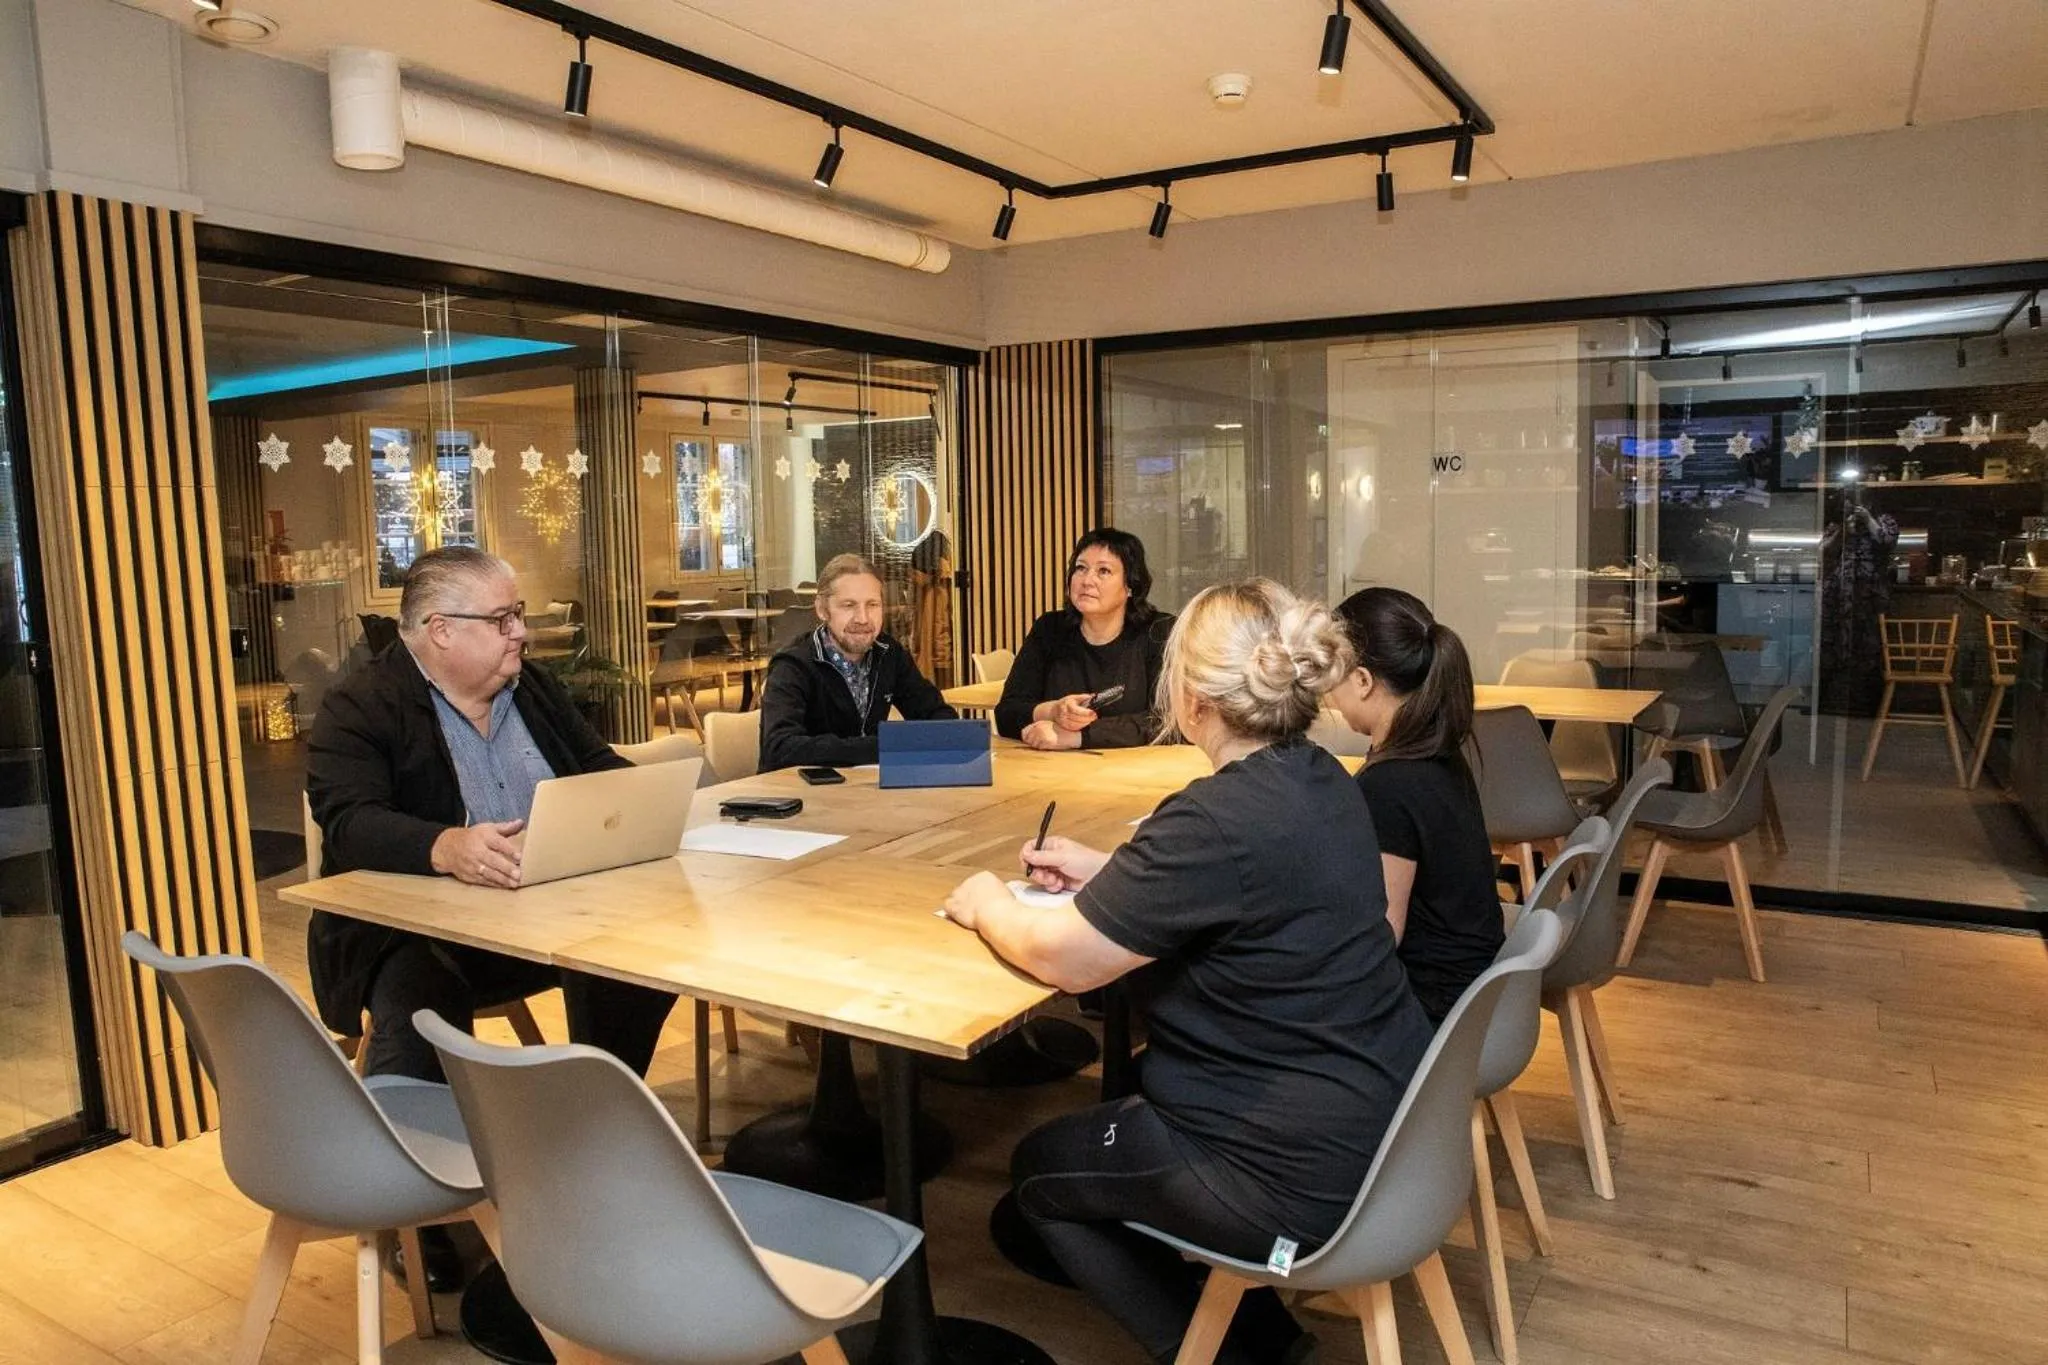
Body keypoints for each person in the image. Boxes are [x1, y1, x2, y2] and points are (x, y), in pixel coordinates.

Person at [942, 580, 1431, 1365]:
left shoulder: (1213, 816)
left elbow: (1066, 961)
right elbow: (1247, 890)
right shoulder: (1323, 781)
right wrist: (1114, 872)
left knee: (1039, 1173)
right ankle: (1267, 1336)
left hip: (1282, 1179)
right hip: (1386, 1136)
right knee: (1112, 1129)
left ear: (1195, 697)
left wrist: (989, 901)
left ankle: (1237, 1352)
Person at [305, 547, 678, 1084]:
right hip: (418, 932)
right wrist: (448, 847)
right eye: (503, 619)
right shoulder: (361, 705)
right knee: (418, 997)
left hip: (553, 910)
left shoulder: (534, 687)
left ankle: (597, 1107)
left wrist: (640, 799)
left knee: (640, 952)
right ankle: (415, 1150)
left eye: (518, 614)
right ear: (441, 631)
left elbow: (597, 765)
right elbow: (350, 822)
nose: (521, 633)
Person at [1328, 587, 1501, 1025]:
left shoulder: (1390, 784)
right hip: (1470, 992)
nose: (1328, 694)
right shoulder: (1436, 751)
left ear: (1363, 681)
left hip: (1429, 1011)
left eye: (1334, 675)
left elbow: (1381, 934)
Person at [758, 552, 956, 770]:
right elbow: (780, 749)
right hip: (802, 796)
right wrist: (883, 747)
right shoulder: (793, 666)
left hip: (867, 792)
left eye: (872, 605)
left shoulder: (889, 654)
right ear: (823, 610)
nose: (862, 618)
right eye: (848, 605)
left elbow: (937, 715)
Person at [995, 528, 1173, 750]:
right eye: (1080, 568)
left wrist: (1076, 737)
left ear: (1130, 586)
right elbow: (1006, 713)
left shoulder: (1159, 632)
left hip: (1139, 774)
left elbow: (1168, 722)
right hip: (1056, 773)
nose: (1087, 580)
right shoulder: (1050, 629)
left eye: (1104, 571)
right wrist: (1053, 711)